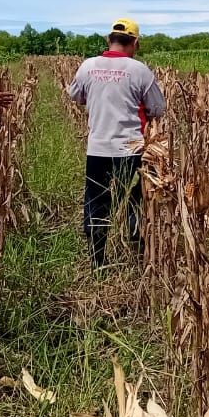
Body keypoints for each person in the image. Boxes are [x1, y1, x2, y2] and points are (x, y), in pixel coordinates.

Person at [67, 17, 166, 267]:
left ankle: (98, 261)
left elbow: (75, 96)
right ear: (135, 42)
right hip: (131, 150)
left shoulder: (88, 67)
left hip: (98, 148)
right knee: (135, 198)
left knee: (97, 201)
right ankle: (136, 253)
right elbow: (157, 109)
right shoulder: (140, 70)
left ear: (108, 40)